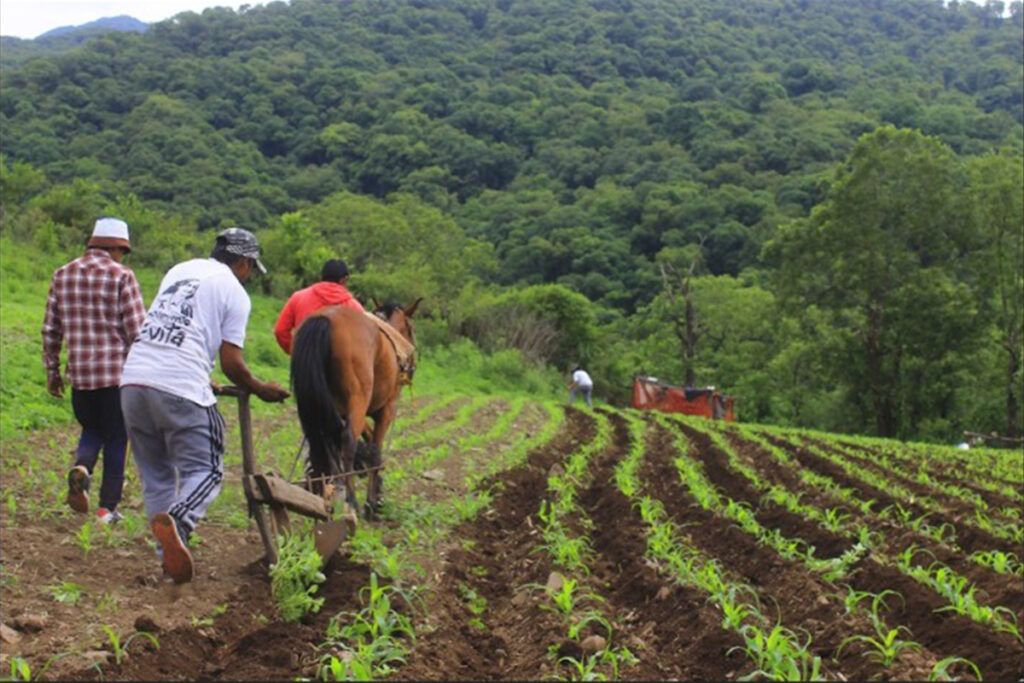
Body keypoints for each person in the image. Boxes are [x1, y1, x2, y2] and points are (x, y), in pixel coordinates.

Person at [120, 228, 289, 583]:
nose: (248, 277)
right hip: (179, 385)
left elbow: (176, 327)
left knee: (157, 478)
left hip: (133, 381)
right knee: (208, 470)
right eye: (249, 269)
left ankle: (168, 560)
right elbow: (231, 363)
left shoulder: (180, 270)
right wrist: (260, 388)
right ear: (243, 263)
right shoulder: (234, 292)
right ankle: (179, 524)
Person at [42, 217, 146, 525]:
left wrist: (53, 371)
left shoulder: (62, 275)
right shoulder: (122, 276)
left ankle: (83, 468)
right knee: (117, 437)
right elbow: (137, 331)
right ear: (117, 247)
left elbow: (51, 329)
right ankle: (106, 509)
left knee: (91, 429)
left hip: (81, 378)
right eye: (122, 252)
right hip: (116, 377)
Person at [273, 258, 365, 355]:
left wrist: (296, 352)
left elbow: (280, 330)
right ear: (344, 280)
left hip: (304, 364)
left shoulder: (298, 297)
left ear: (322, 276)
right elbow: (365, 341)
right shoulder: (354, 307)